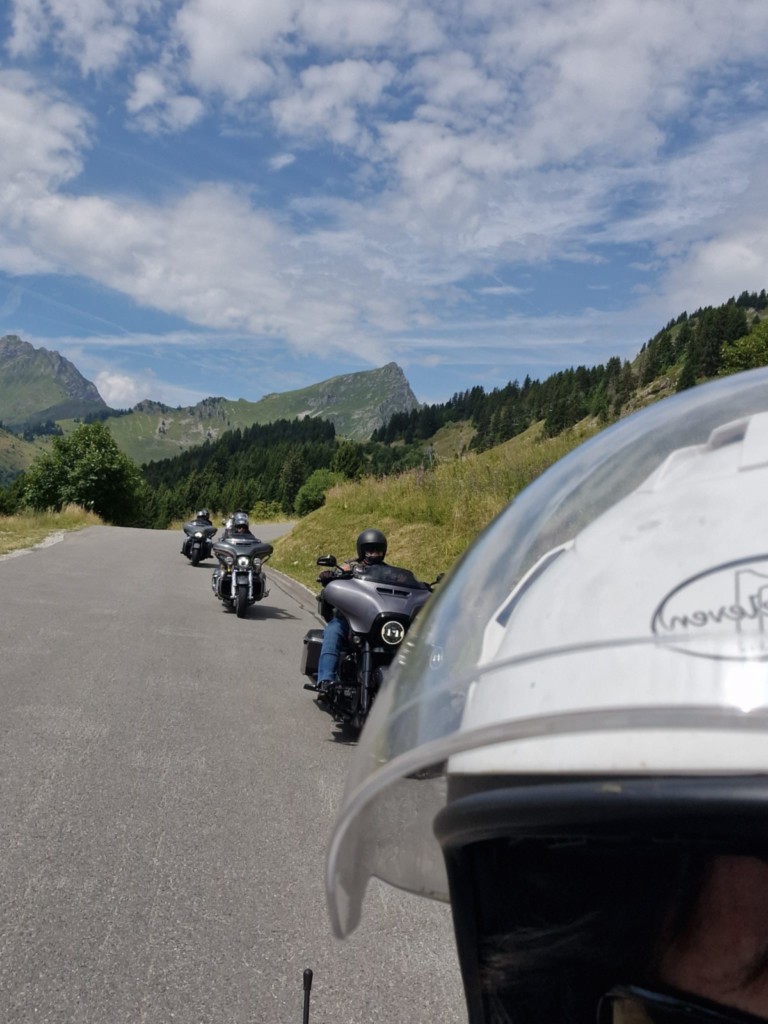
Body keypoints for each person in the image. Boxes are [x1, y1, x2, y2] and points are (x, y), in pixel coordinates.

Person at [324, 365, 768, 1024]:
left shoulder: (394, 568)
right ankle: (328, 675)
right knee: (334, 631)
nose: (371, 552)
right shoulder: (351, 567)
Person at [316, 528, 388, 694]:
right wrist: (329, 576)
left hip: (376, 622)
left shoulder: (388, 572)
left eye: (378, 550)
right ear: (362, 551)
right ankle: (326, 680)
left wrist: (420, 586)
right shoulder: (350, 567)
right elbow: (335, 575)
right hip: (350, 620)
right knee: (333, 631)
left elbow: (404, 583)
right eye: (370, 550)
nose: (374, 554)